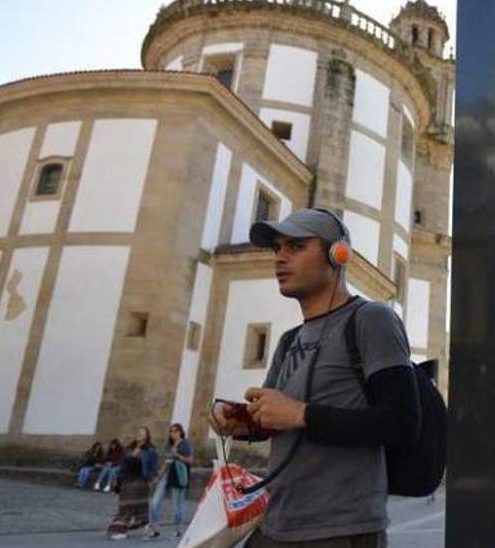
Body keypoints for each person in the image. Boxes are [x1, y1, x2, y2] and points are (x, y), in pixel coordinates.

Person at [209, 209, 420, 548]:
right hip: (274, 522)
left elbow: (402, 422)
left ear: (338, 254)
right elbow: (279, 417)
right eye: (277, 248)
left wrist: (300, 413)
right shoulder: (289, 340)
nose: (280, 258)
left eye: (296, 246)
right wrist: (243, 421)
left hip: (338, 531)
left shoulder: (373, 319)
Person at [106, 426, 160, 540]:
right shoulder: (129, 449)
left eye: (142, 432)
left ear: (147, 436)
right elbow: (122, 465)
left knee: (136, 507)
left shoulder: (151, 450)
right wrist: (118, 479)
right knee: (125, 506)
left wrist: (152, 480)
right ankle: (125, 528)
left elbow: (154, 468)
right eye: (138, 432)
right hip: (127, 482)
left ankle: (122, 531)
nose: (139, 434)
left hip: (140, 482)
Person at [146, 423, 194, 540]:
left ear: (181, 432)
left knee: (177, 504)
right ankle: (155, 528)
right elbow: (167, 462)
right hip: (167, 474)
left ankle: (178, 530)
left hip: (178, 475)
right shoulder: (169, 444)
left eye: (176, 431)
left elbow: (190, 460)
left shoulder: (185, 444)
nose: (173, 433)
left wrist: (176, 454)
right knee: (155, 502)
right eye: (171, 431)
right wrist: (157, 477)